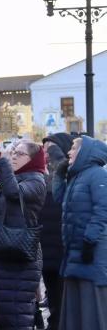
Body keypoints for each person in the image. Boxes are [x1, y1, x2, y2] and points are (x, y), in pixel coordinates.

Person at [0, 139, 46, 330]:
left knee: (15, 315)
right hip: (0, 255)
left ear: (33, 159)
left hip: (18, 261)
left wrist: (2, 162)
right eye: (12, 152)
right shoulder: (5, 180)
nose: (13, 156)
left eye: (19, 154)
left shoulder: (36, 181)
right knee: (0, 314)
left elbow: (14, 193)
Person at [52, 136, 107, 329]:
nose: (69, 152)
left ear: (86, 152)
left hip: (89, 253)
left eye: (74, 148)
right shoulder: (77, 177)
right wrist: (59, 175)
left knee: (91, 310)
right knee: (76, 310)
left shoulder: (98, 175)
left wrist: (89, 241)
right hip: (75, 254)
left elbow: (103, 209)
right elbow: (59, 200)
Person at [39, 133, 73, 330]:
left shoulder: (68, 175)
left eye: (51, 148)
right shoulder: (43, 177)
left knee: (61, 303)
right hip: (47, 251)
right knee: (54, 302)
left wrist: (54, 153)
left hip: (62, 251)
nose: (47, 153)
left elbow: (61, 176)